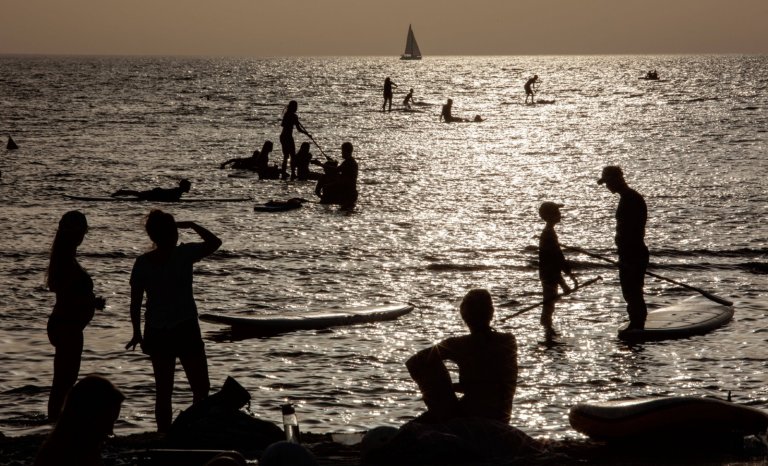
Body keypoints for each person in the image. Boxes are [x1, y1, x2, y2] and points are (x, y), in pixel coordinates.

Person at [125, 209, 222, 432]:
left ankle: (165, 434)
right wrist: (193, 225)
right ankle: (194, 429)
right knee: (200, 387)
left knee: (165, 390)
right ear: (172, 233)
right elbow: (215, 242)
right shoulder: (184, 254)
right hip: (184, 327)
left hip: (157, 330)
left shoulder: (144, 262)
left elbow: (135, 303)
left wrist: (137, 332)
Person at [406, 289, 518, 424]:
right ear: (491, 313)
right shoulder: (508, 341)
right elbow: (489, 384)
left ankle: (443, 413)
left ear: (464, 315)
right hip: (501, 416)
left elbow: (414, 362)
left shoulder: (458, 344)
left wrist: (442, 391)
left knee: (423, 364)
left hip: (473, 417)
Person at [45, 211, 106, 422]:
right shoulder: (66, 262)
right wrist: (92, 302)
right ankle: (55, 422)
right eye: (81, 232)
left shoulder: (65, 259)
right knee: (64, 382)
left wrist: (90, 301)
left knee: (64, 381)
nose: (82, 236)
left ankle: (56, 421)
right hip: (67, 326)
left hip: (66, 325)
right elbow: (69, 296)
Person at [598, 166, 649, 331]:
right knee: (631, 292)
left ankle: (637, 326)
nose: (607, 186)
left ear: (616, 179)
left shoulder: (631, 199)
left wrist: (628, 256)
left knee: (632, 292)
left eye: (608, 182)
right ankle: (637, 325)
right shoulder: (627, 198)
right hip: (629, 253)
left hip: (633, 253)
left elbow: (632, 231)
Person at [34, 375, 125, 466]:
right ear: (86, 416)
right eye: (106, 423)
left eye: (112, 423)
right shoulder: (64, 456)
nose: (110, 431)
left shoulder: (63, 447)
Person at [537, 202, 578, 338]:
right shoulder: (548, 235)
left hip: (549, 273)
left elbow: (558, 258)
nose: (560, 215)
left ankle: (548, 329)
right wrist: (564, 283)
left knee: (550, 302)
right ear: (550, 216)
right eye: (557, 212)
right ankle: (547, 329)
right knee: (549, 303)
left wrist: (567, 273)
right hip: (549, 274)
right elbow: (554, 260)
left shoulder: (549, 233)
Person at [280, 101, 311, 180]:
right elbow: (299, 129)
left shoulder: (286, 114)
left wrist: (295, 120)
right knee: (292, 156)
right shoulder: (293, 116)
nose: (296, 108)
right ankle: (293, 173)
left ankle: (284, 172)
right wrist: (306, 133)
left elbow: (283, 125)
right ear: (293, 107)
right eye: (296, 107)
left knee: (286, 156)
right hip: (287, 137)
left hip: (283, 136)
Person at [111, 179, 191, 201]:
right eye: (188, 186)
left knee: (137, 194)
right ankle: (121, 192)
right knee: (138, 194)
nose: (189, 188)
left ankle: (121, 192)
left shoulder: (177, 192)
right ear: (184, 187)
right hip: (154, 194)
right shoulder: (177, 192)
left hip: (156, 193)